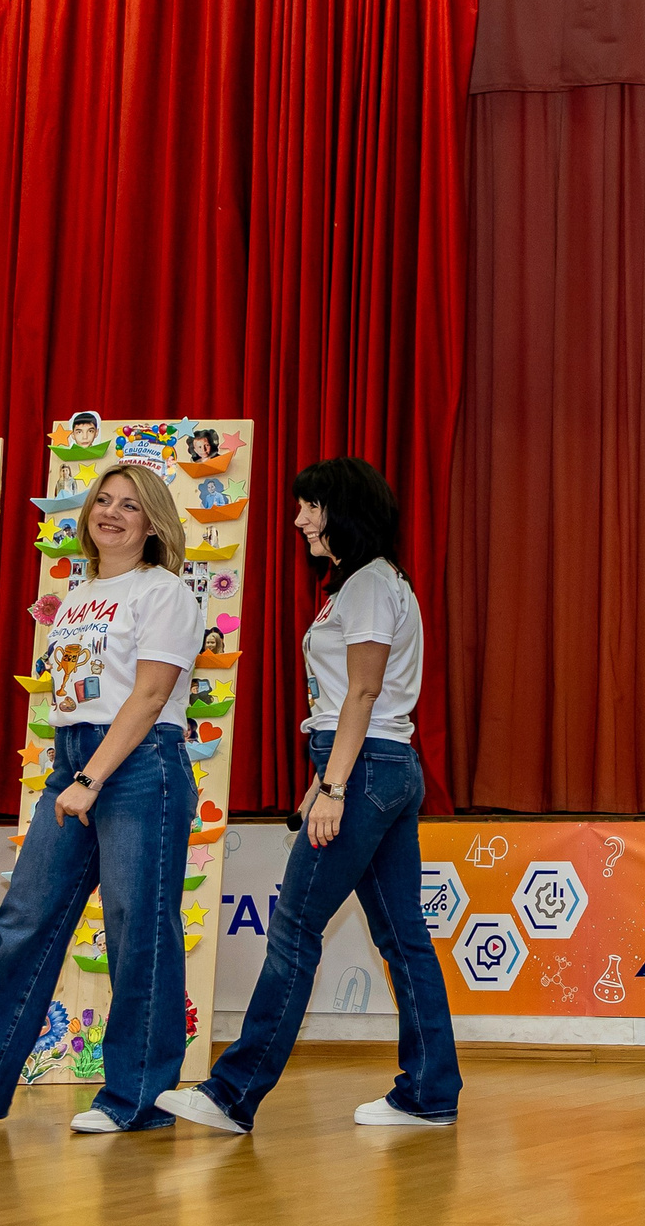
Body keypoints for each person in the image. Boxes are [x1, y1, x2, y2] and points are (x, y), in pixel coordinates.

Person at [162, 457, 459, 1135]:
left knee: (295, 929)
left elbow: (362, 691)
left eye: (309, 507)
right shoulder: (372, 584)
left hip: (364, 770)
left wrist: (332, 784)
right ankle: (430, 1090)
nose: (298, 519)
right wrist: (319, 779)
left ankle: (233, 1093)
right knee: (404, 937)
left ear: (339, 512)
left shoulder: (368, 587)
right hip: (377, 765)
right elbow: (347, 703)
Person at [0, 467, 196, 1137]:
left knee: (138, 926)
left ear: (152, 523)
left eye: (131, 505)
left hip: (138, 763)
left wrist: (91, 778)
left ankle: (137, 1099)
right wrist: (72, 771)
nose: (113, 513)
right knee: (23, 919)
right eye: (105, 500)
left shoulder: (165, 592)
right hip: (75, 759)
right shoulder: (77, 594)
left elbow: (150, 694)